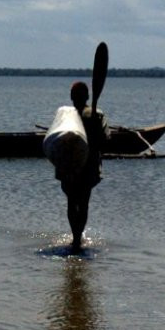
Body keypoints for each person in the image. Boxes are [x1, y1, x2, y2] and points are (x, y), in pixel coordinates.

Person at [57, 78, 104, 251]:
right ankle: (77, 238)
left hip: (68, 167)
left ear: (71, 97)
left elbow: (56, 138)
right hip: (88, 167)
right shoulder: (96, 114)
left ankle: (75, 237)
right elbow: (105, 138)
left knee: (71, 201)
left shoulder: (64, 115)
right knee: (83, 202)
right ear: (87, 96)